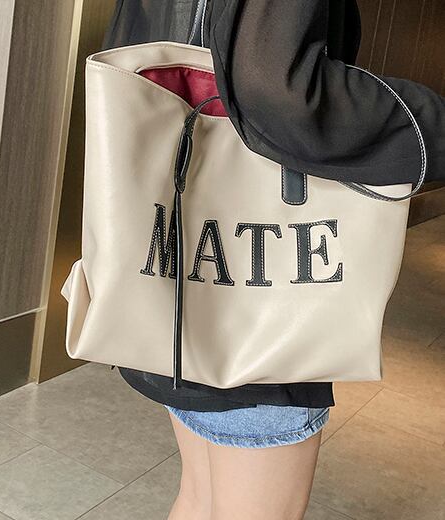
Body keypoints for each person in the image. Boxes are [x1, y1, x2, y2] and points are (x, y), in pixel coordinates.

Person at [101, 1, 445, 519]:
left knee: (200, 496)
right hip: (258, 303)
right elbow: (280, 93)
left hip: (174, 261)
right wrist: (432, 124)